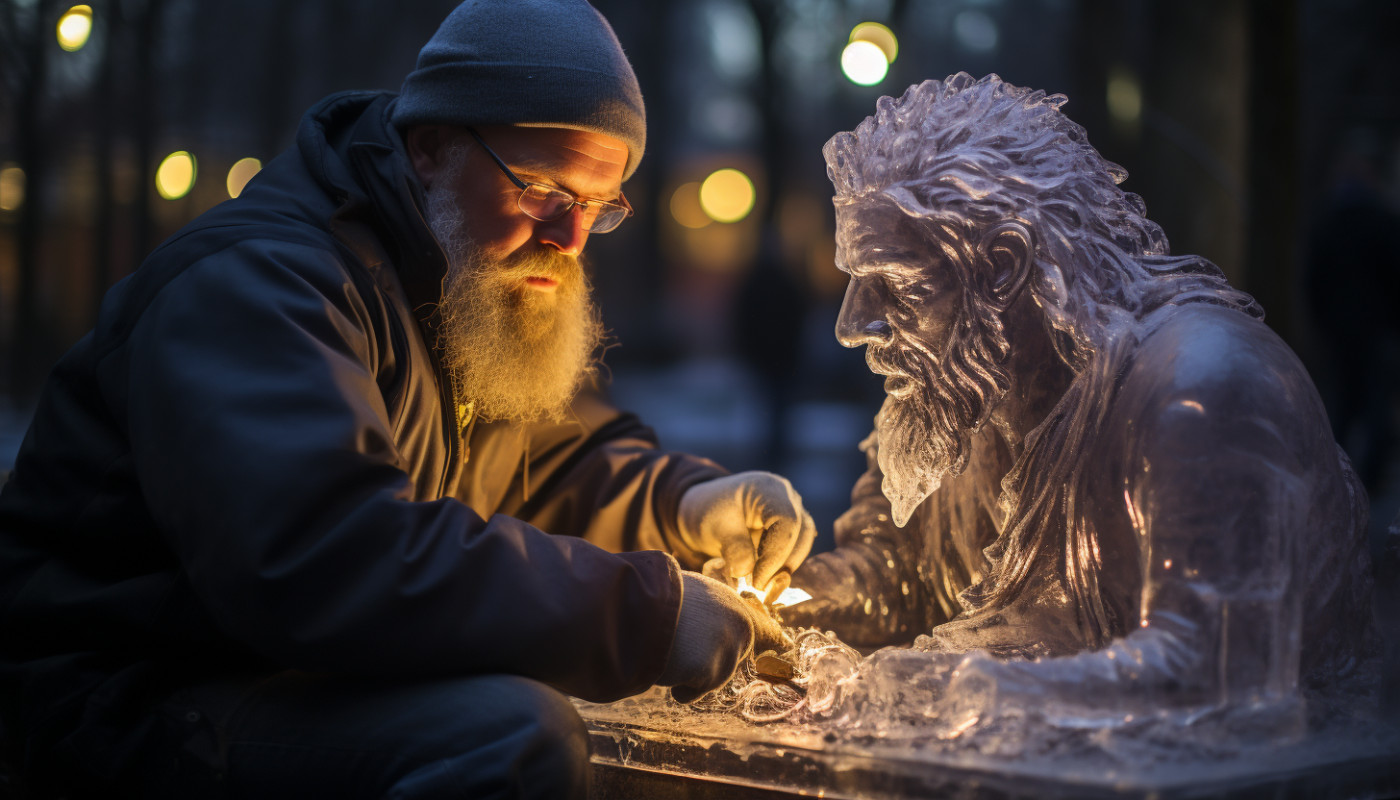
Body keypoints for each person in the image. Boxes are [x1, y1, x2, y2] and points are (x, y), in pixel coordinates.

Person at [0, 2, 816, 797]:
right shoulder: (262, 284)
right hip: (119, 703)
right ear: (429, 148)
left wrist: (684, 500)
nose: (568, 239)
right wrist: (648, 616)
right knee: (508, 733)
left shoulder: (459, 281)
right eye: (542, 190)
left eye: (598, 208)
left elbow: (546, 462)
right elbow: (325, 554)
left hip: (269, 676)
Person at [782, 73, 1375, 718]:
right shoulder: (953, 391)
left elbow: (1221, 678)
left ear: (1004, 267)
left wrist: (956, 693)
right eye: (854, 283)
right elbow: (900, 581)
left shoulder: (1207, 394)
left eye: (897, 285)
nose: (850, 326)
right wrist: (769, 597)